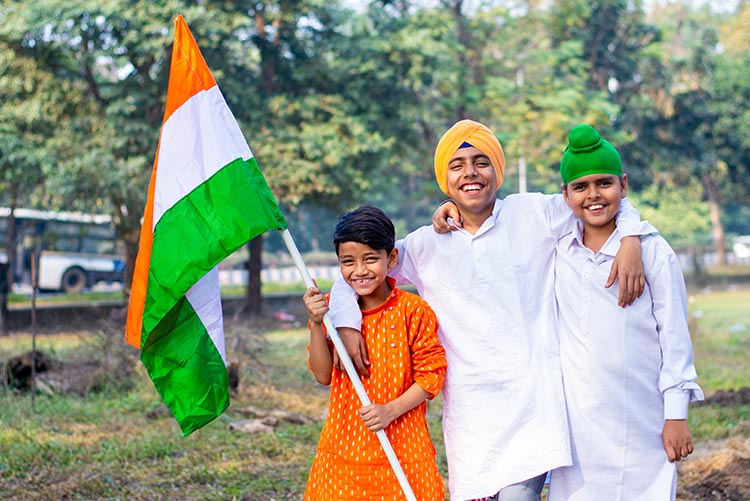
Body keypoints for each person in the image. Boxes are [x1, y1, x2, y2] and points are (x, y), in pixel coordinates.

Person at [328, 119, 655, 501]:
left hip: (535, 408)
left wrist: (630, 235)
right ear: (444, 179)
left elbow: (597, 198)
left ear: (497, 170)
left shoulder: (534, 213)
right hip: (471, 417)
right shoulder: (425, 244)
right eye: (457, 164)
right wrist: (347, 323)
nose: (470, 172)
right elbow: (357, 270)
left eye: (481, 162)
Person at [547, 124, 704, 500]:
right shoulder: (556, 248)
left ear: (624, 185)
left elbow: (674, 335)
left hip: (641, 419)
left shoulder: (652, 252)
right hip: (579, 428)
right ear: (565, 196)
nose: (594, 195)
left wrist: (676, 414)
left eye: (604, 183)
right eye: (580, 187)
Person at [302, 204, 448, 501]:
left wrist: (389, 410)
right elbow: (321, 375)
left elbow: (432, 376)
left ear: (391, 257)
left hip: (404, 449)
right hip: (343, 453)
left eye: (370, 259)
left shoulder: (412, 311)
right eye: (348, 262)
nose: (359, 271)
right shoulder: (332, 311)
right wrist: (318, 323)